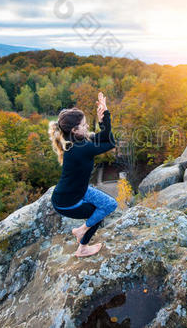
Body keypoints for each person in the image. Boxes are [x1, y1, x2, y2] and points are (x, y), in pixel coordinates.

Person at [47, 92, 118, 257]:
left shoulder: (77, 142)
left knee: (108, 205)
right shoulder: (81, 148)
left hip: (77, 190)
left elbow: (105, 137)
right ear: (74, 129)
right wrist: (104, 121)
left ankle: (82, 231)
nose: (87, 127)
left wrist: (104, 117)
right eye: (84, 124)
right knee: (101, 210)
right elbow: (111, 142)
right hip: (67, 201)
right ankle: (82, 244)